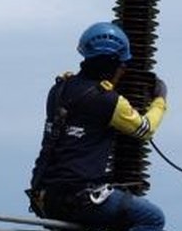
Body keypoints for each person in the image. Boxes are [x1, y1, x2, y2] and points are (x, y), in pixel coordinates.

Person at [27, 21, 169, 231]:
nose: (123, 69)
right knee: (152, 218)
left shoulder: (58, 90)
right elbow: (145, 130)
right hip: (79, 200)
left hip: (44, 197)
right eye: (122, 64)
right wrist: (160, 99)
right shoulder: (107, 100)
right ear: (113, 64)